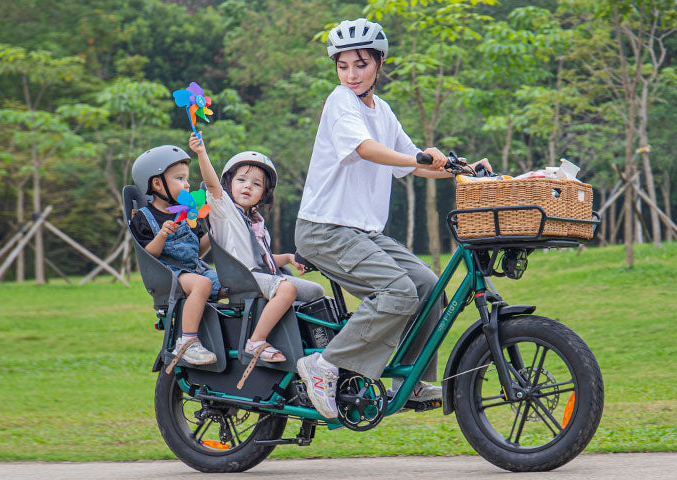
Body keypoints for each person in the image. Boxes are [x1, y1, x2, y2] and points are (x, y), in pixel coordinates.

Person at [293, 18, 491, 419]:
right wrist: (419, 157)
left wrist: (462, 168)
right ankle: (325, 365)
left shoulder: (382, 111)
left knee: (428, 287)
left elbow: (415, 165)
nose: (351, 74)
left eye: (361, 64)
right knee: (399, 292)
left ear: (379, 64)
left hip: (362, 233)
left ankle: (410, 381)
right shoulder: (340, 103)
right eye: (343, 65)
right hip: (325, 229)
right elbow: (367, 149)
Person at [189, 132, 325, 363]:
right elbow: (212, 185)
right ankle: (256, 341)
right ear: (229, 183)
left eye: (256, 184)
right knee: (287, 290)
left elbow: (263, 258)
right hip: (241, 278)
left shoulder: (256, 222)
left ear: (264, 193)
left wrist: (289, 258)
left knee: (315, 292)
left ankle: (300, 342)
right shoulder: (225, 212)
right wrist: (202, 153)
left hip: (260, 274)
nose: (247, 187)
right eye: (241, 180)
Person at [131, 145, 222, 366]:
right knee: (202, 285)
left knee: (234, 281)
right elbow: (148, 256)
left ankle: (231, 336)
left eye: (187, 179)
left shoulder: (187, 213)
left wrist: (213, 231)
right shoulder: (145, 217)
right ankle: (187, 342)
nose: (187, 184)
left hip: (194, 269)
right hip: (168, 274)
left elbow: (198, 250)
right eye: (180, 178)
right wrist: (161, 235)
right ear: (157, 183)